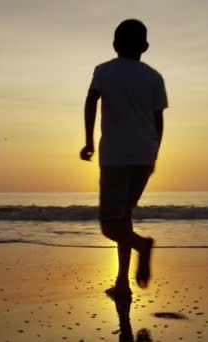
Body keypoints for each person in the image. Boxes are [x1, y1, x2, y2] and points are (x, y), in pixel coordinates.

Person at [80, 19, 168, 298]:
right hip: (144, 155)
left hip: (116, 155)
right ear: (145, 46)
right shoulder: (154, 77)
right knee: (124, 218)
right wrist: (154, 154)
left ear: (115, 45)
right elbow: (158, 120)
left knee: (110, 225)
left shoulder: (104, 71)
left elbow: (90, 101)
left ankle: (142, 246)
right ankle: (121, 282)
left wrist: (89, 141)